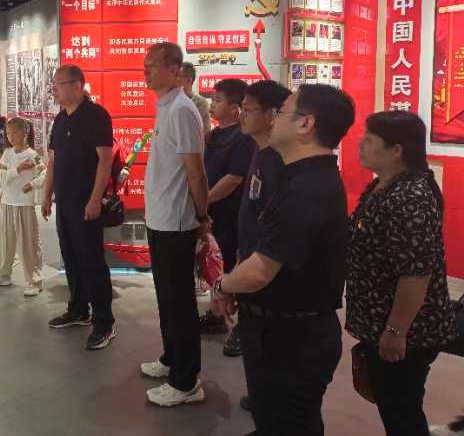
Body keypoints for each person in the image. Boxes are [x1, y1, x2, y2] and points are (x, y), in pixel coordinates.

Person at [210, 84, 355, 436]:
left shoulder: (308, 188)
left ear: (306, 124)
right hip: (276, 328)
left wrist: (222, 285)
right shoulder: (297, 175)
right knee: (273, 417)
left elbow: (261, 270)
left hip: (294, 338)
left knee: (290, 423)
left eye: (283, 112)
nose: (274, 120)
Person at [346, 111, 456, 436]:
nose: (360, 144)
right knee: (394, 403)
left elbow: (416, 275)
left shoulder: (410, 197)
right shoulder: (384, 185)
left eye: (369, 140)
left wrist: (395, 331)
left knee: (401, 411)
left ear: (396, 150)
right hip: (382, 322)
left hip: (409, 332)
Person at [139, 42, 210, 407]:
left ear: (174, 69)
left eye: (152, 66)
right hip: (160, 217)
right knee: (166, 299)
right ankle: (171, 359)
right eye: (145, 66)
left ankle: (187, 381)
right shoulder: (165, 107)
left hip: (177, 222)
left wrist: (202, 216)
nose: (146, 72)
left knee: (180, 303)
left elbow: (195, 173)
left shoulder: (181, 110)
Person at [42, 64, 116, 350]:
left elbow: (105, 160)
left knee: (92, 261)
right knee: (71, 257)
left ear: (77, 85)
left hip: (86, 203)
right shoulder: (60, 119)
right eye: (54, 84)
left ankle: (104, 322)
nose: (54, 90)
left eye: (58, 84)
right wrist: (47, 195)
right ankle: (78, 309)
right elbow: (53, 161)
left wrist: (95, 199)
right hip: (64, 202)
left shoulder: (96, 116)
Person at [230, 80, 292, 401]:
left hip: (268, 277)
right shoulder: (259, 153)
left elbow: (275, 232)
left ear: (271, 115)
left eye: (247, 109)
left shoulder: (281, 163)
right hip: (250, 264)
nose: (241, 115)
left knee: (272, 353)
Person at [201, 79, 256, 335]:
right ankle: (216, 314)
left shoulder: (243, 138)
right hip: (212, 212)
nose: (212, 105)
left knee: (234, 266)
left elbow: (234, 178)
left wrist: (205, 200)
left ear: (235, 108)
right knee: (215, 264)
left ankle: (238, 324)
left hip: (232, 212)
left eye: (218, 100)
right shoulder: (213, 135)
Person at [0, 118, 45, 296]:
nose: (11, 137)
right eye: (8, 133)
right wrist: (18, 169)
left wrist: (32, 184)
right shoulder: (7, 154)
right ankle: (4, 275)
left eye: (14, 133)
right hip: (7, 204)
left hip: (24, 205)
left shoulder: (33, 155)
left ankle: (34, 280)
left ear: (24, 132)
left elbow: (44, 173)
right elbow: (2, 178)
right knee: (5, 243)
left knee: (28, 244)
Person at [176, 61, 212, 135]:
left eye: (178, 76)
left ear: (189, 79)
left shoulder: (200, 103)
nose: (175, 79)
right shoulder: (170, 101)